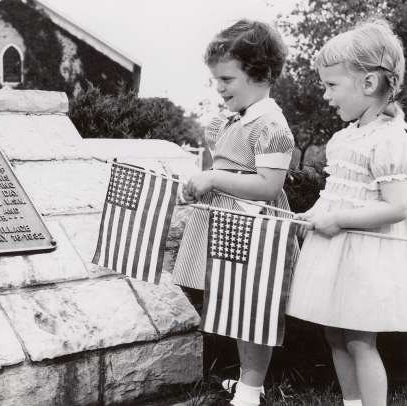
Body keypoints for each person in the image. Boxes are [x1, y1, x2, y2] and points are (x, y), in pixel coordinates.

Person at [172, 19, 296, 406]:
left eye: (227, 79)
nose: (219, 88)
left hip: (254, 226)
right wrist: (201, 183)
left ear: (259, 74)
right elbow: (223, 168)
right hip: (227, 222)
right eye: (216, 80)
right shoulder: (235, 118)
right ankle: (245, 378)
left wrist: (214, 179)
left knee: (252, 309)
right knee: (232, 302)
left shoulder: (271, 125)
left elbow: (268, 186)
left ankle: (251, 389)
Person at [287, 19, 407, 406]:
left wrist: (337, 220)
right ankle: (350, 402)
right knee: (335, 334)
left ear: (369, 84)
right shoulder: (345, 138)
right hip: (337, 252)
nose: (325, 95)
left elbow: (397, 207)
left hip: (364, 257)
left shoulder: (389, 139)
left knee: (359, 339)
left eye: (332, 85)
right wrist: (313, 213)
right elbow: (337, 192)